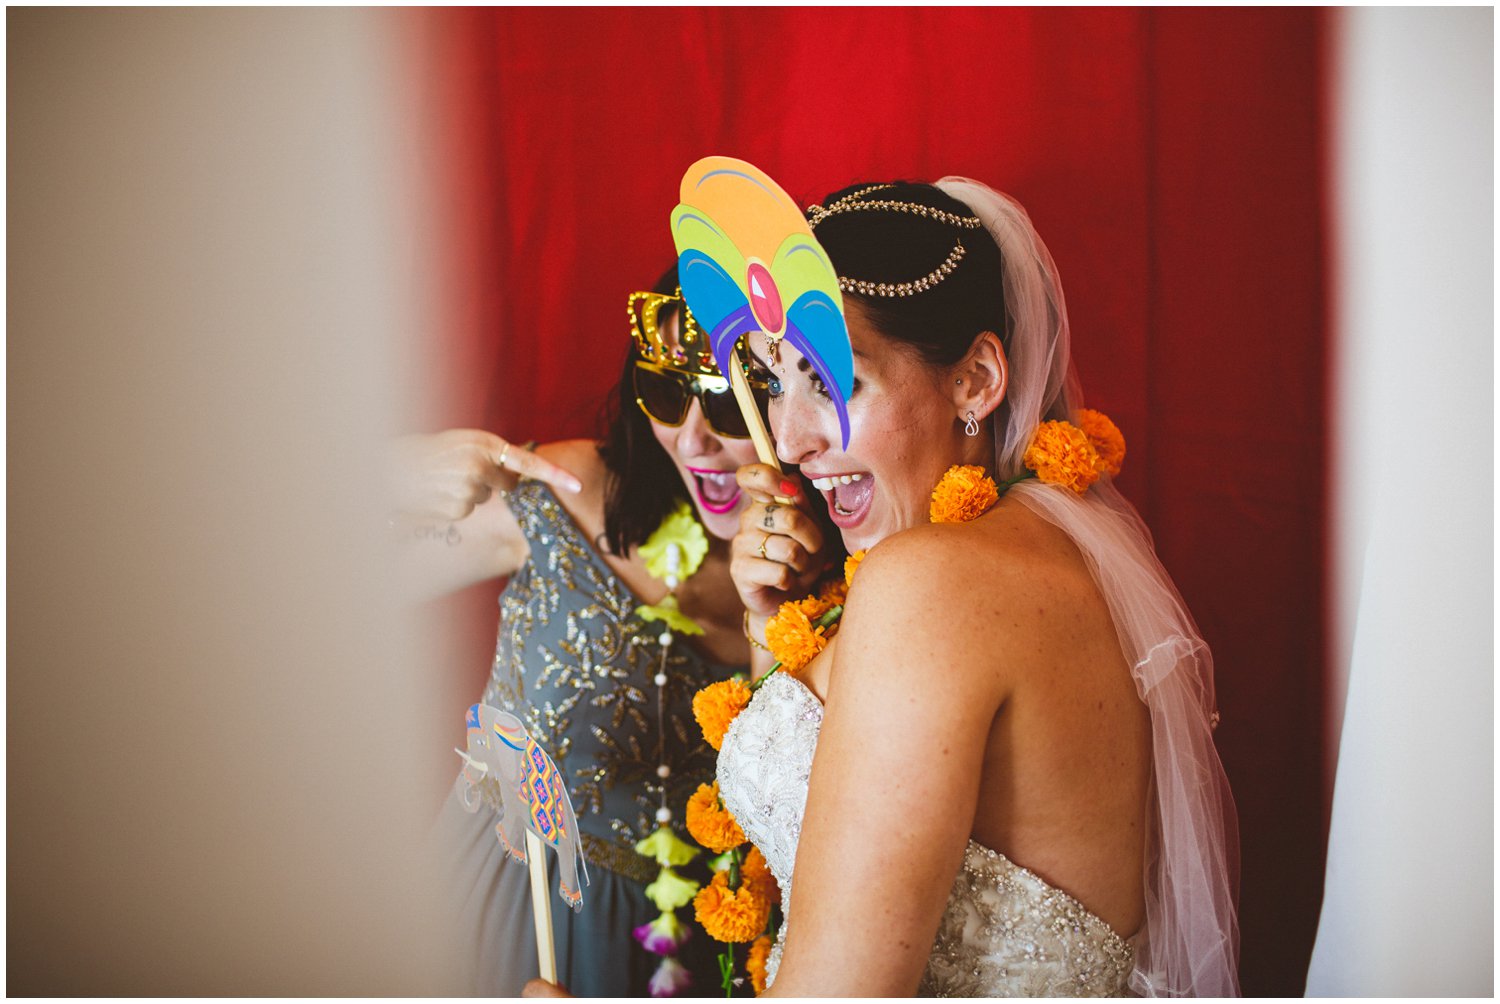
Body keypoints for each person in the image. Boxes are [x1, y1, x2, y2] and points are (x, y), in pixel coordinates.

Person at [707, 179, 1239, 996]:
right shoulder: (1048, 544)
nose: (787, 440)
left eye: (835, 381)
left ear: (975, 380)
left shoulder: (927, 585)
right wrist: (776, 630)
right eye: (777, 382)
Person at [408, 269, 776, 996]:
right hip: (494, 924)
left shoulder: (837, 588)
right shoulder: (570, 496)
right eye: (668, 396)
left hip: (694, 958)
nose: (694, 439)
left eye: (725, 405)